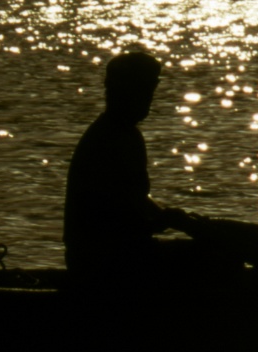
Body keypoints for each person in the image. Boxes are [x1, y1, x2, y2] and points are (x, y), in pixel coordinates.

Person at [62, 50, 194, 280]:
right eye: (144, 91)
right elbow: (120, 220)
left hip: (107, 257)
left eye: (150, 92)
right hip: (107, 263)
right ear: (123, 91)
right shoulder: (114, 139)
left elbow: (133, 199)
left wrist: (163, 214)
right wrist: (162, 221)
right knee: (216, 260)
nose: (148, 100)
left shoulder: (121, 133)